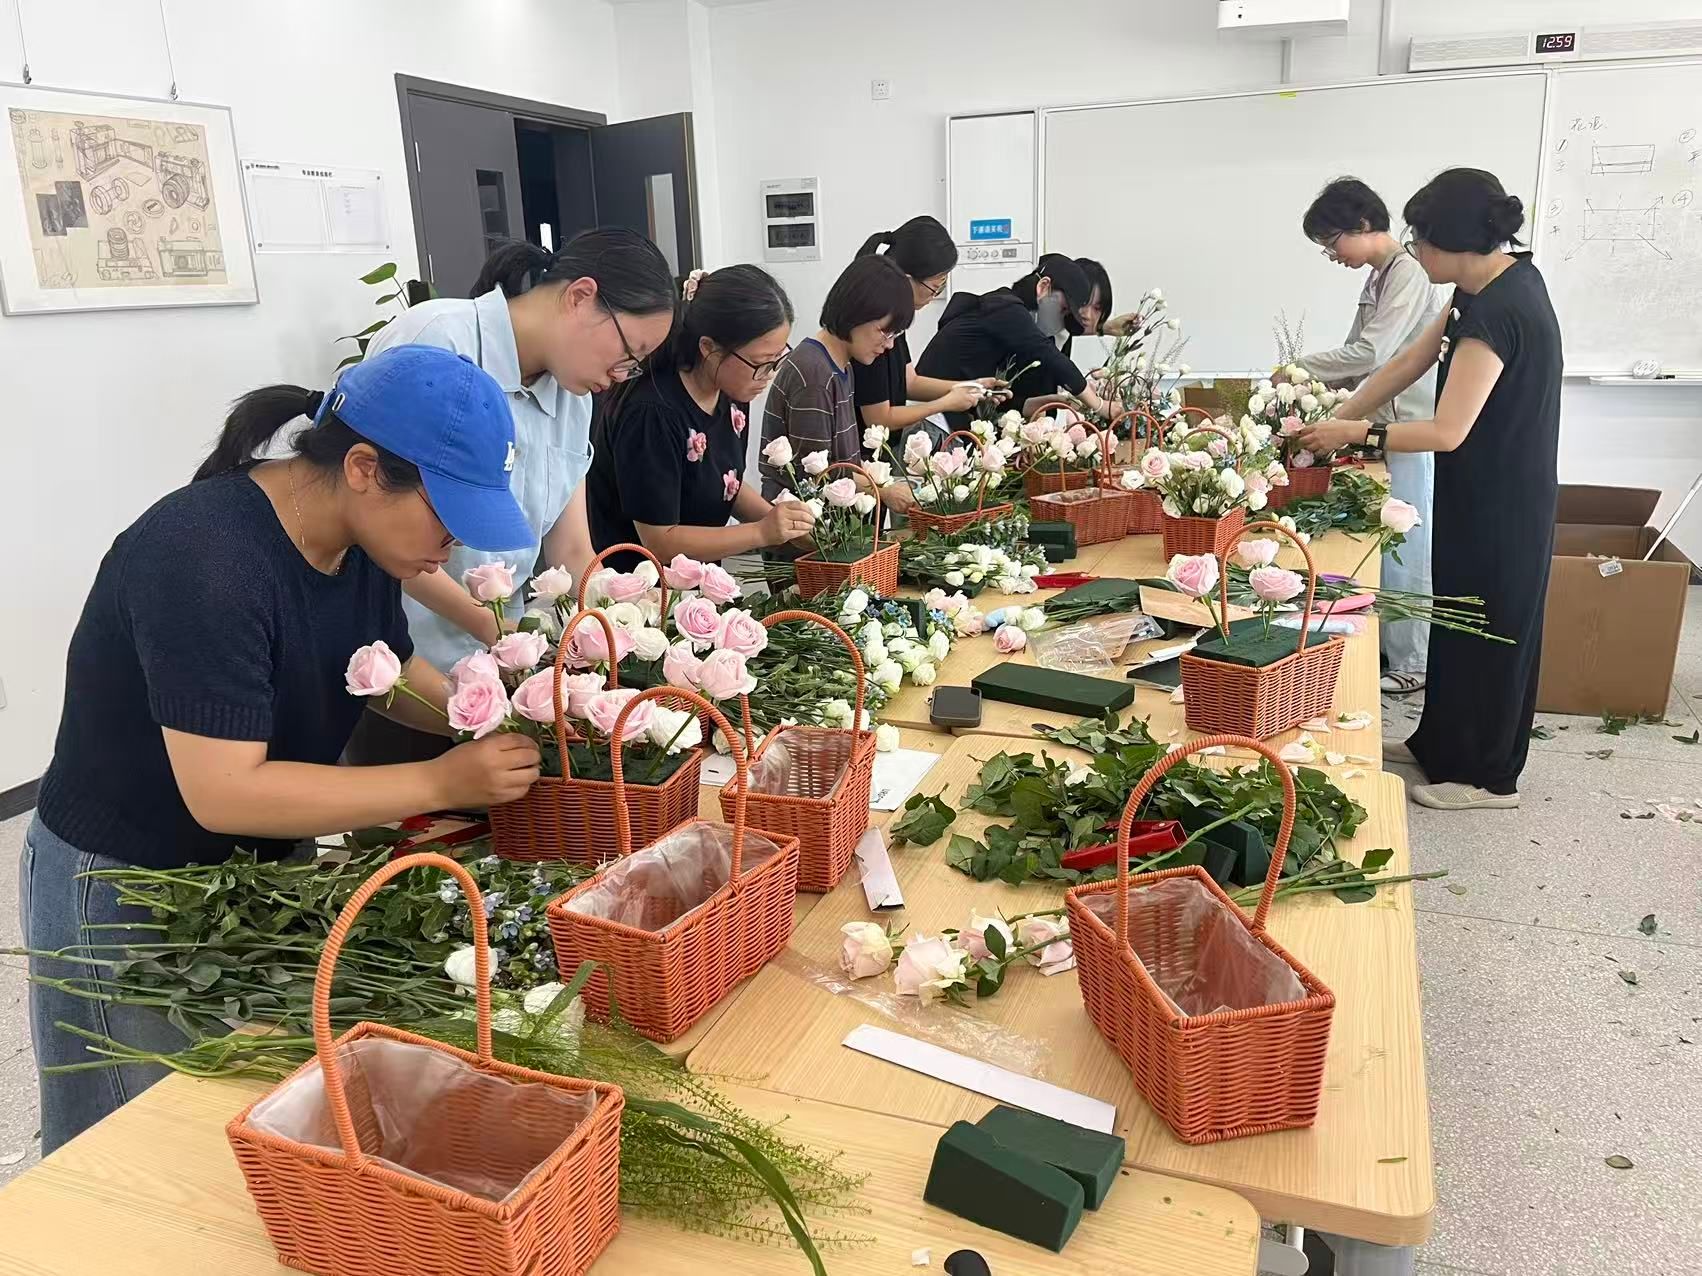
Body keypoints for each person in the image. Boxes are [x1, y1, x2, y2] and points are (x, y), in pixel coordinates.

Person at [23, 346, 545, 1152]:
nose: (452, 547)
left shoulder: (361, 542)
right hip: (128, 878)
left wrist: (477, 717)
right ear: (364, 468)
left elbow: (378, 666)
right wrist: (443, 779)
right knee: (124, 1141)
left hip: (253, 863)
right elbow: (226, 790)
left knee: (237, 1113)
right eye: (446, 515)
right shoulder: (203, 558)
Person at [350, 228, 675, 763]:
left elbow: (571, 549)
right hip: (408, 676)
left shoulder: (573, 397)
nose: (621, 376)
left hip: (507, 678)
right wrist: (498, 629)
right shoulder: (437, 340)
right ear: (580, 297)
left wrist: (621, 629)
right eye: (628, 352)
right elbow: (375, 526)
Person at [1298, 168, 1560, 812]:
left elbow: (1446, 430)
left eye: (1421, 239)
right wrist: (1340, 417)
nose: (1415, 250)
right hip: (1477, 487)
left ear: (1454, 241)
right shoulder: (1481, 285)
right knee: (1456, 621)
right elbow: (1411, 359)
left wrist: (1356, 434)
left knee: (1491, 629)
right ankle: (1439, 743)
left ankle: (1491, 779)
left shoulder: (1498, 311)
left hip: (1507, 497)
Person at [1299, 177, 1445, 694]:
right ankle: (1392, 643)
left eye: (1331, 241)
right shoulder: (1379, 277)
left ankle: (1414, 661)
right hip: (1379, 429)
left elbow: (1372, 354)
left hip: (1408, 429)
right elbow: (1355, 358)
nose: (1332, 254)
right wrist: (1308, 394)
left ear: (1362, 225)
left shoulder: (1407, 272)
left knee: (1408, 546)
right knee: (1387, 545)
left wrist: (1298, 368)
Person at [586, 264, 814, 570]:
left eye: (777, 360)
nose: (769, 375)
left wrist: (788, 527)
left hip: (699, 582)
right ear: (709, 348)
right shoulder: (652, 414)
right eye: (761, 363)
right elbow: (660, 542)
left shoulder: (731, 392)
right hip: (642, 587)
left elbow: (725, 483)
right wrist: (762, 532)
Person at [758, 254, 918, 506]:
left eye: (894, 335)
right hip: (800, 524)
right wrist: (883, 491)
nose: (889, 345)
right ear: (857, 313)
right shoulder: (814, 374)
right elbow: (815, 476)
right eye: (884, 331)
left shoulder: (839, 365)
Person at [917, 253, 1116, 425]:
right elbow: (1050, 356)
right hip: (930, 414)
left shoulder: (1013, 321)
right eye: (1063, 309)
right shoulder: (1007, 309)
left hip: (949, 410)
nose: (1061, 319)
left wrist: (1043, 402)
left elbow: (995, 398)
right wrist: (1100, 405)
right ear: (1043, 287)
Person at [851, 218, 1003, 441]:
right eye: (935, 287)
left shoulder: (893, 320)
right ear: (906, 279)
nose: (934, 296)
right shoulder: (873, 328)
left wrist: (970, 387)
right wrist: (945, 403)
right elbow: (879, 419)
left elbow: (909, 382)